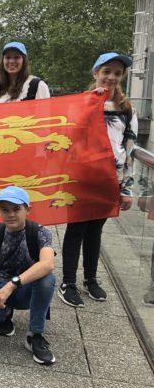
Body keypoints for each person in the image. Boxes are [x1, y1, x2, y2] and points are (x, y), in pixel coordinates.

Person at [59, 52, 136, 308]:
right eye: (106, 71)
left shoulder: (126, 110)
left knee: (95, 231)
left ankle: (90, 279)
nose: (111, 77)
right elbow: (67, 142)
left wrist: (128, 189)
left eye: (117, 72)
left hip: (109, 181)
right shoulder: (80, 104)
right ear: (95, 73)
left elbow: (130, 150)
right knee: (76, 229)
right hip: (81, 178)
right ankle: (68, 282)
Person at [0, 186, 56, 365]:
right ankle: (4, 312)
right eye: (5, 210)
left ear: (27, 209)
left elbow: (47, 264)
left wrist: (11, 285)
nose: (11, 214)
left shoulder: (40, 232)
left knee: (47, 278)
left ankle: (35, 335)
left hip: (25, 288)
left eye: (16, 209)